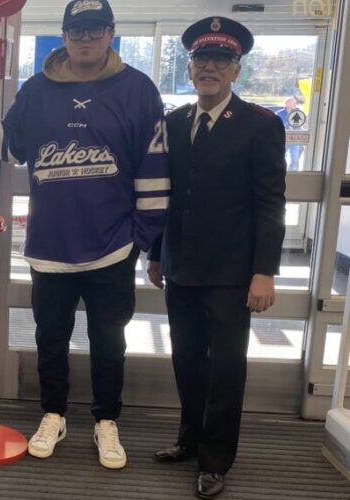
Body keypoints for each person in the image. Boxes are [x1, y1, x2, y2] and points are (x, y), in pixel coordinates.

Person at [0, 0, 169, 469]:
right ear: (65, 36)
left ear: (110, 33)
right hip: (50, 248)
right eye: (77, 30)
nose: (85, 39)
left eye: (95, 29)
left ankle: (106, 421)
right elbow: (13, 147)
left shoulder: (138, 89)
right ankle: (53, 414)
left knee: (110, 342)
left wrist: (140, 238)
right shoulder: (37, 88)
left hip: (113, 247)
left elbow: (154, 171)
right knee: (51, 338)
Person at [147, 17, 286, 499]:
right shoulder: (174, 122)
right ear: (189, 68)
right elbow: (167, 195)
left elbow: (270, 202)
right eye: (201, 59)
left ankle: (215, 459)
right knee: (187, 360)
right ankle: (188, 440)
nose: (209, 67)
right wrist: (157, 254)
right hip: (181, 266)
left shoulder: (260, 126)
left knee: (226, 368)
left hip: (232, 272)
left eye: (220, 60)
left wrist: (264, 271)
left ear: (236, 70)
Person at [276, 97, 302, 171]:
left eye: (295, 103)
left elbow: (303, 124)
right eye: (293, 102)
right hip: (283, 139)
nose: (295, 104)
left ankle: (293, 173)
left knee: (295, 158)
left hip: (294, 139)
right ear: (287, 103)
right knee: (281, 157)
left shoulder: (299, 112)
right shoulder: (279, 113)